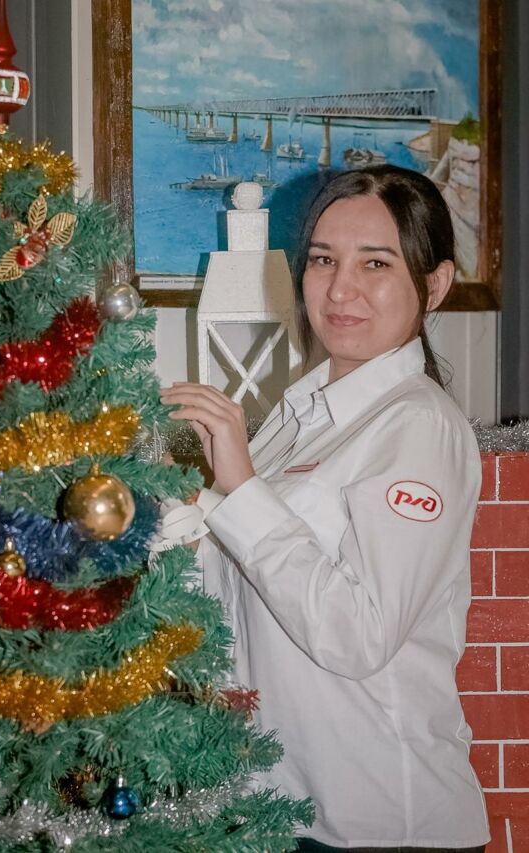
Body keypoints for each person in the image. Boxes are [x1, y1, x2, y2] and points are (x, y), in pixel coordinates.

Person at [160, 164, 489, 853]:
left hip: (377, 824)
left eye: (376, 263)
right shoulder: (300, 414)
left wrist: (241, 489)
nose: (341, 289)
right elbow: (250, 590)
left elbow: (359, 635)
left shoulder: (417, 426)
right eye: (322, 260)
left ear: (434, 285)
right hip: (281, 809)